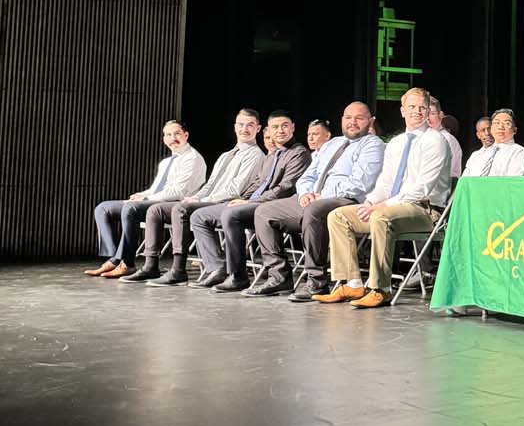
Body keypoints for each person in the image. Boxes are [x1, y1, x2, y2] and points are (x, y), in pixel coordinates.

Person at [316, 86, 453, 310]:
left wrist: (382, 206)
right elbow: (386, 182)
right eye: (411, 106)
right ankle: (351, 283)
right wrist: (370, 202)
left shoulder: (435, 141)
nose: (416, 111)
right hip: (393, 206)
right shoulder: (397, 143)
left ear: (428, 111)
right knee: (339, 216)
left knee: (381, 217)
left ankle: (380, 288)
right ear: (402, 110)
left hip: (426, 210)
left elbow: (422, 188)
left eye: (422, 107)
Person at [247, 101, 385, 300]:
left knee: (315, 210)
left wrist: (322, 195)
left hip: (346, 200)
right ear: (342, 120)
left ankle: (316, 281)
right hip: (312, 198)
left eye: (359, 118)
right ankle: (279, 276)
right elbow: (307, 176)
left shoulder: (373, 145)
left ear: (370, 121)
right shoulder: (332, 144)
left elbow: (361, 183)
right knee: (264, 212)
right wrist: (305, 194)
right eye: (348, 117)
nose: (352, 122)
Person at [125, 108, 265, 285]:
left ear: (258, 129)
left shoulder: (255, 155)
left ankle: (179, 269)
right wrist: (196, 197)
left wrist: (202, 200)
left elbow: (235, 190)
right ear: (234, 126)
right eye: (241, 124)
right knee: (156, 210)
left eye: (250, 125)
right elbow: (210, 184)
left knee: (181, 209)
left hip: (225, 202)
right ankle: (150, 266)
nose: (244, 129)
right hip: (208, 199)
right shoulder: (226, 155)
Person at [191, 111, 310, 293]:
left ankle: (238, 276)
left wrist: (249, 202)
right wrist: (243, 199)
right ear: (269, 130)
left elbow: (284, 189)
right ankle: (218, 268)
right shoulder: (272, 155)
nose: (280, 130)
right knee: (199, 216)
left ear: (292, 127)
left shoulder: (299, 153)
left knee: (231, 215)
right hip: (254, 202)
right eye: (275, 127)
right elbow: (258, 182)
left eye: (284, 126)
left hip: (274, 205)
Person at [88, 121, 206, 280]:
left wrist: (145, 198)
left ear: (186, 135)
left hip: (174, 204)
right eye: (168, 135)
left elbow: (178, 192)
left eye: (177, 134)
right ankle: (113, 257)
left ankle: (126, 263)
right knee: (103, 208)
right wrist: (141, 195)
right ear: (164, 138)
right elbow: (155, 189)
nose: (173, 138)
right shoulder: (166, 162)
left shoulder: (192, 158)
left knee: (131, 209)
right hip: (155, 200)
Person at [462, 110, 524, 177]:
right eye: (497, 123)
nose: (500, 127)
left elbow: (514, 181)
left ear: (514, 130)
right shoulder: (477, 155)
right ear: (491, 128)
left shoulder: (519, 152)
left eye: (507, 123)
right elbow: (465, 181)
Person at [427, 96, 462, 179]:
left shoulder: (447, 139)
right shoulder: (423, 137)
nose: (428, 118)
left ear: (440, 115)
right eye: (426, 114)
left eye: (432, 113)